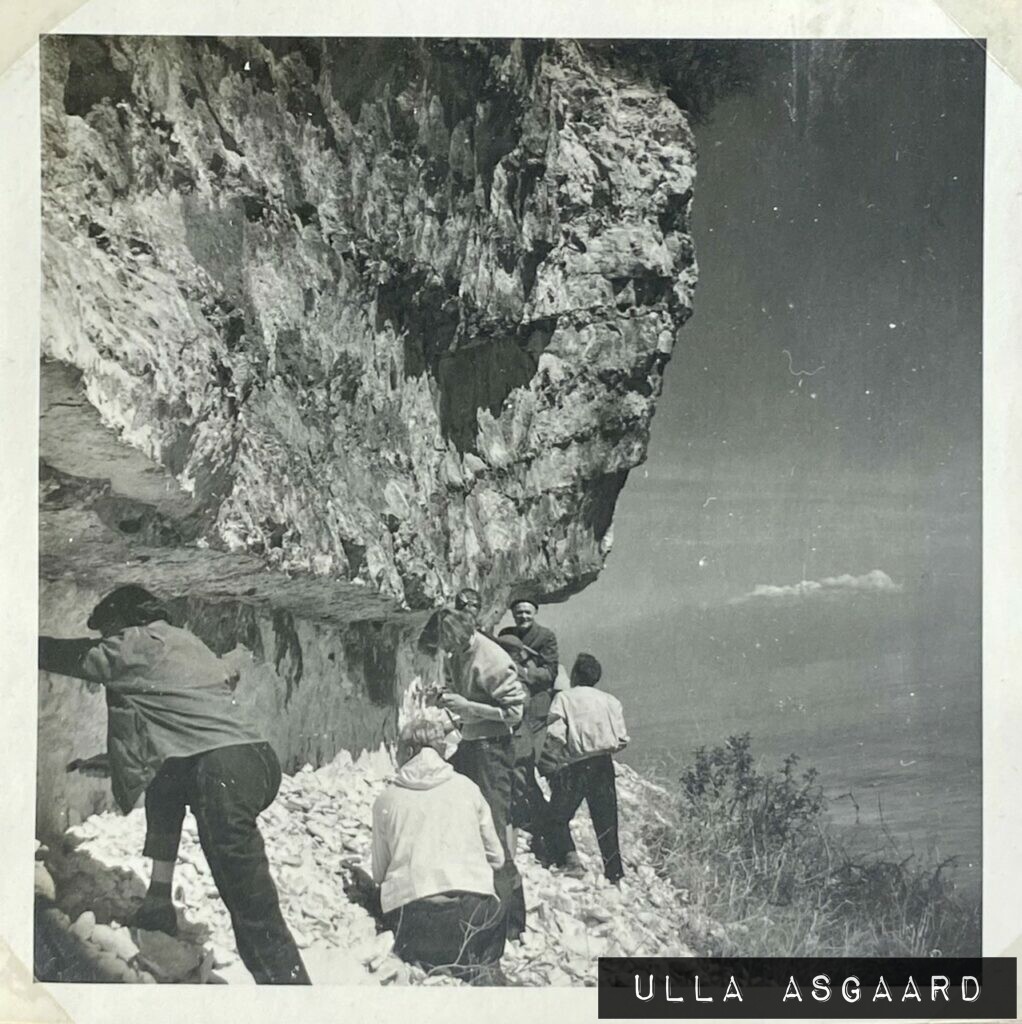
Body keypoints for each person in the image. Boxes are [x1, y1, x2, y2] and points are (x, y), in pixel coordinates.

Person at [38, 585, 311, 985]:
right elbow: (176, 731)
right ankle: (158, 903)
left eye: (108, 632)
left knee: (251, 908)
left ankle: (295, 996)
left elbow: (66, 656)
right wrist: (113, 763)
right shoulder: (186, 641)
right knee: (166, 780)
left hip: (223, 775)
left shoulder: (134, 643)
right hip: (255, 761)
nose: (107, 641)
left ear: (124, 621)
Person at [418, 607, 527, 939]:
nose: (447, 652)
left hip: (493, 750)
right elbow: (461, 692)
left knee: (492, 830)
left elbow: (514, 713)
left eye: (448, 645)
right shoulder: (460, 651)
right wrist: (446, 700)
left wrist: (468, 708)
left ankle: (511, 922)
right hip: (472, 745)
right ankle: (476, 905)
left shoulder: (492, 657)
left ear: (458, 634)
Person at [371, 715, 507, 981]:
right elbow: (498, 859)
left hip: (416, 923)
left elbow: (379, 875)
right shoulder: (468, 788)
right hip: (474, 918)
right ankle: (487, 966)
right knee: (501, 879)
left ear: (409, 751)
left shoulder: (386, 799)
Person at [537, 653, 629, 883]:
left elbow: (555, 735)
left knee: (557, 816)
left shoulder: (565, 699)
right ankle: (614, 875)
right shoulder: (611, 700)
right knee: (607, 821)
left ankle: (571, 861)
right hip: (604, 764)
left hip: (577, 765)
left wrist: (550, 764)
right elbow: (622, 739)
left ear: (576, 674)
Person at [498, 596, 559, 839]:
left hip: (535, 709)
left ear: (535, 613)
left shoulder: (546, 637)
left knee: (527, 760)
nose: (523, 616)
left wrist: (524, 672)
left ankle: (541, 819)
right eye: (519, 612)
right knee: (515, 761)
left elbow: (550, 672)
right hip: (513, 705)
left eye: (527, 612)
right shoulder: (506, 634)